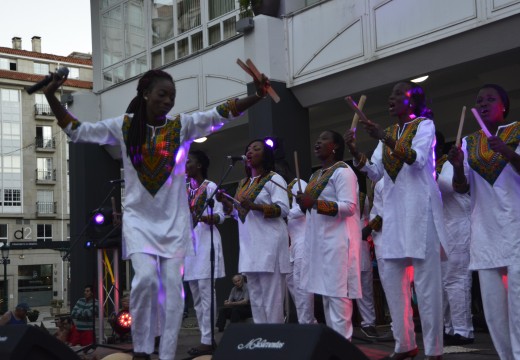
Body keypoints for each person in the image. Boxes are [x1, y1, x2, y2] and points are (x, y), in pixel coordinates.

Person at [43, 68, 271, 360]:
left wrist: (256, 97)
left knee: (174, 292)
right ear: (146, 93)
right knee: (146, 280)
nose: (168, 101)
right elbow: (77, 131)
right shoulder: (124, 126)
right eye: (162, 94)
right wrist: (51, 96)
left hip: (175, 223)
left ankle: (165, 355)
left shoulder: (182, 126)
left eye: (172, 97)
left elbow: (220, 113)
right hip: (139, 221)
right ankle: (141, 349)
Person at [345, 81, 447, 360]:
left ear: (413, 101)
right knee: (392, 281)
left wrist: (385, 138)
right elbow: (376, 173)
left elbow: (417, 159)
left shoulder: (424, 126)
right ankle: (405, 344)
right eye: (391, 94)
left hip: (420, 212)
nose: (392, 97)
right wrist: (355, 152)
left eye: (399, 93)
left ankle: (435, 349)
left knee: (427, 287)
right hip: (391, 217)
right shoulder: (386, 134)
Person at [448, 84, 520, 360]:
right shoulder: (469, 142)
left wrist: (508, 151)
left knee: (517, 306)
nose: (484, 103)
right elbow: (461, 188)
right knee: (494, 310)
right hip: (485, 234)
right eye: (480, 100)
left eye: (491, 99)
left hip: (515, 229)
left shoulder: (517, 130)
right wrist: (456, 166)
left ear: (505, 106)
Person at [296, 130, 362, 340]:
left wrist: (313, 203)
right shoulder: (315, 176)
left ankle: (344, 347)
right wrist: (304, 203)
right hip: (319, 244)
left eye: (323, 138)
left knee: (338, 297)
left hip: (338, 243)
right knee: (326, 297)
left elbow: (349, 206)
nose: (317, 141)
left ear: (335, 146)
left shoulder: (343, 172)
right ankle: (334, 347)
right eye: (318, 138)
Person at [217, 139, 291, 324]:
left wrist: (255, 206)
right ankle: (261, 339)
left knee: (272, 300)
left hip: (270, 245)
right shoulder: (243, 183)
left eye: (256, 149)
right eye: (248, 149)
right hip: (250, 247)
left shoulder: (274, 178)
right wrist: (227, 203)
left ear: (266, 155)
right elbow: (239, 214)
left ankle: (275, 341)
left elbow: (283, 209)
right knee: (256, 300)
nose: (250, 151)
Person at [184, 149, 226, 356]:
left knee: (207, 292)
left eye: (188, 161)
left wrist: (212, 218)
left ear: (199, 165)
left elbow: (221, 215)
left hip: (206, 240)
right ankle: (204, 337)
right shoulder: (183, 189)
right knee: (196, 295)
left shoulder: (210, 187)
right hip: (189, 245)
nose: (185, 165)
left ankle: (208, 340)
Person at [435, 132, 474, 346]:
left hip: (457, 223)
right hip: (441, 226)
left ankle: (463, 329)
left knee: (457, 278)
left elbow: (451, 187)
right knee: (443, 281)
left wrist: (428, 173)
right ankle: (449, 327)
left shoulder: (450, 162)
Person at [286, 176, 316, 324]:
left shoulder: (298, 183)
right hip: (291, 245)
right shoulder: (277, 186)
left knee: (302, 286)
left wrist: (284, 213)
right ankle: (308, 321)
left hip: (303, 241)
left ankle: (307, 323)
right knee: (293, 285)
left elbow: (305, 207)